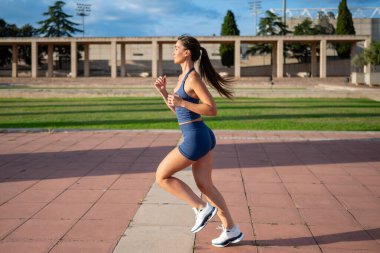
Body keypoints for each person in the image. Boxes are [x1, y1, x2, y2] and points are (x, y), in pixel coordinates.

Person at [154, 35, 244, 248]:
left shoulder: (193, 78)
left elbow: (212, 109)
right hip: (199, 135)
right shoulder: (182, 76)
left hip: (196, 137)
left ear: (187, 53)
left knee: (162, 176)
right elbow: (179, 110)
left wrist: (182, 101)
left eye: (176, 48)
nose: (173, 51)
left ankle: (201, 207)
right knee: (205, 185)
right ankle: (231, 229)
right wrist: (163, 93)